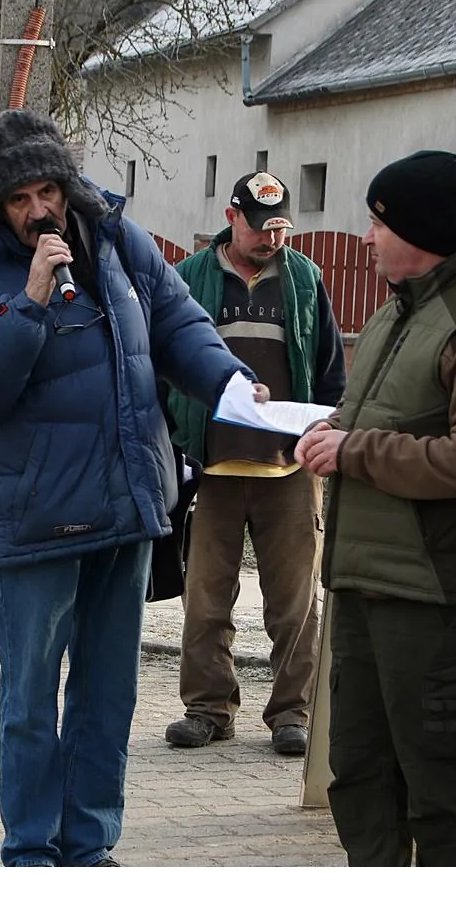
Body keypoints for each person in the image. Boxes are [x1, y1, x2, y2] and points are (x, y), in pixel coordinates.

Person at [0, 109, 261, 867]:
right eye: (18, 200)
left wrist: (231, 382)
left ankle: (90, 848)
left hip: (125, 511)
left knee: (107, 701)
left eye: (47, 190)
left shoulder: (116, 244)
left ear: (66, 185)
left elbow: (180, 325)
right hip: (37, 524)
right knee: (30, 707)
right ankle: (32, 853)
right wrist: (27, 305)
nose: (40, 211)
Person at [295, 150, 456, 866]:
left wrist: (353, 452)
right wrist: (326, 432)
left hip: (436, 600)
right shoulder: (398, 312)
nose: (366, 237)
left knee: (439, 799)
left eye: (378, 222)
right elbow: (364, 418)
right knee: (361, 780)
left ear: (420, 229)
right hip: (367, 586)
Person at [163, 171, 344, 757]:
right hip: (213, 469)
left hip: (288, 470)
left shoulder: (304, 279)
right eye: (262, 228)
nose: (273, 240)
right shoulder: (189, 278)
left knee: (293, 604)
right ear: (232, 217)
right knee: (205, 600)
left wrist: (326, 431)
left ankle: (291, 713)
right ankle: (208, 709)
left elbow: (329, 368)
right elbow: (166, 365)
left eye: (282, 229)